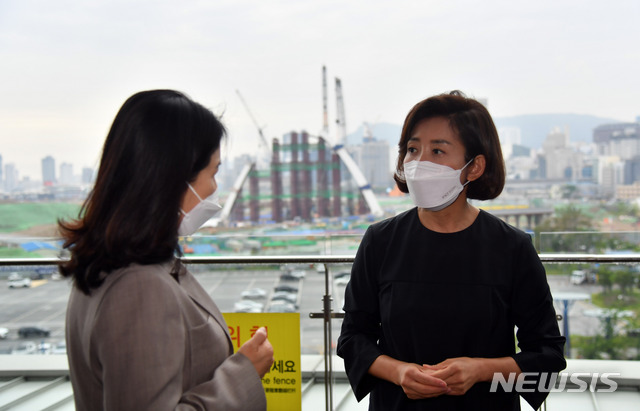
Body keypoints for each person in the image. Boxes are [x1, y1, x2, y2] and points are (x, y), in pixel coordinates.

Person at [337, 91, 566, 410]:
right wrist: (400, 372)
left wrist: (481, 370)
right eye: (413, 149)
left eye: (438, 151)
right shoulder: (381, 241)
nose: (418, 163)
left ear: (474, 167)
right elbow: (352, 339)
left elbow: (547, 354)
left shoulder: (511, 247)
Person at [59, 90, 274, 410]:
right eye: (213, 172)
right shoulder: (138, 286)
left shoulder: (105, 264)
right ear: (174, 178)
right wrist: (244, 373)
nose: (215, 189)